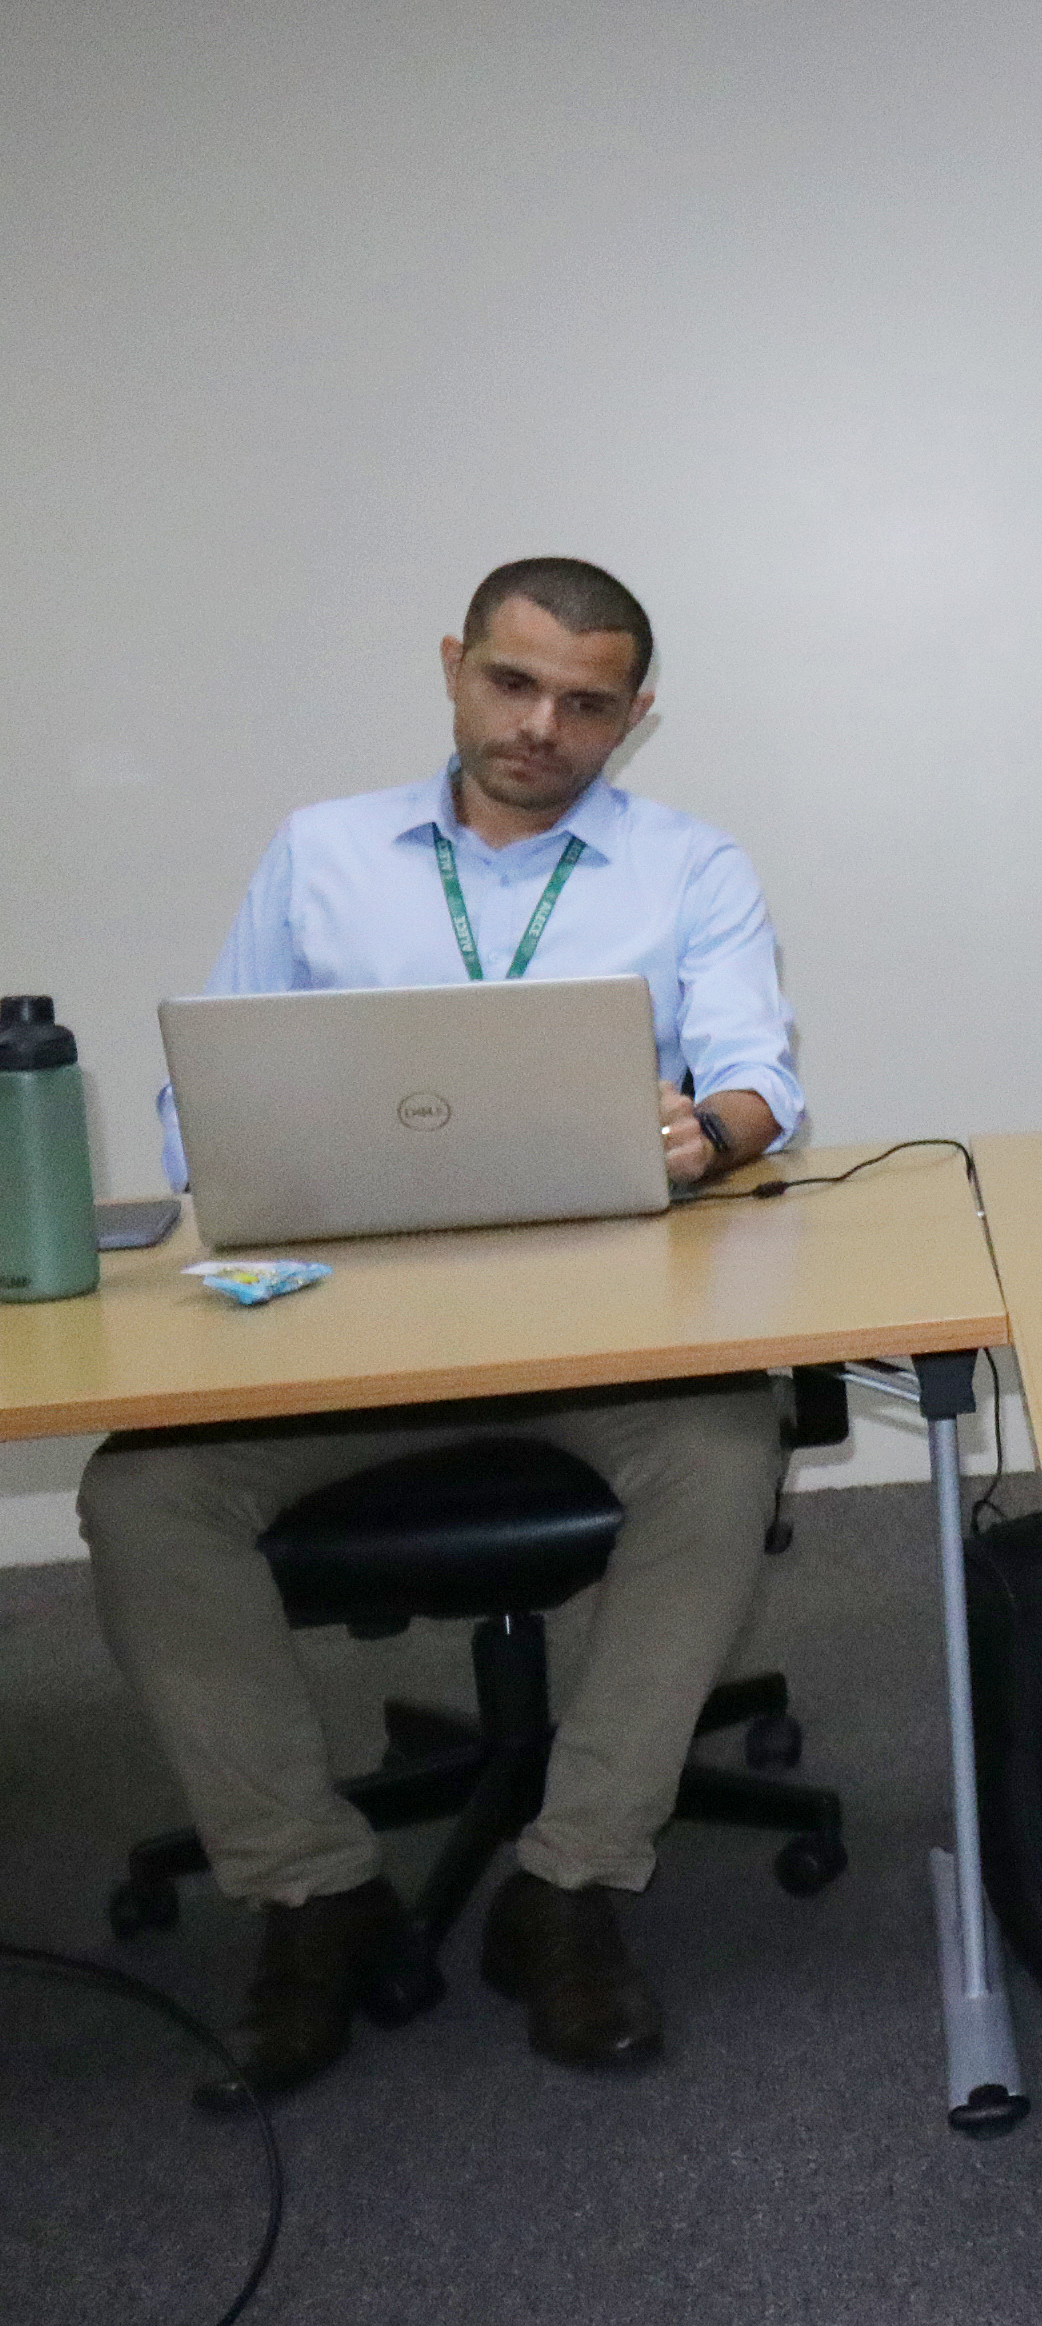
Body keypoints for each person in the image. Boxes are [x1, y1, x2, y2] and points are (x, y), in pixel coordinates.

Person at [80, 556, 804, 2103]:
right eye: (512, 683)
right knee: (145, 1495)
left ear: (635, 715)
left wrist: (713, 1133)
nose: (541, 727)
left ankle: (573, 1878)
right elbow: (196, 1101)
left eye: (586, 704)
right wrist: (253, 1161)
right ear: (454, 666)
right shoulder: (322, 853)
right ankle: (312, 1891)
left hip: (605, 1325)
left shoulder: (689, 865)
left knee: (724, 1445)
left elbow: (760, 1078)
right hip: (344, 1332)